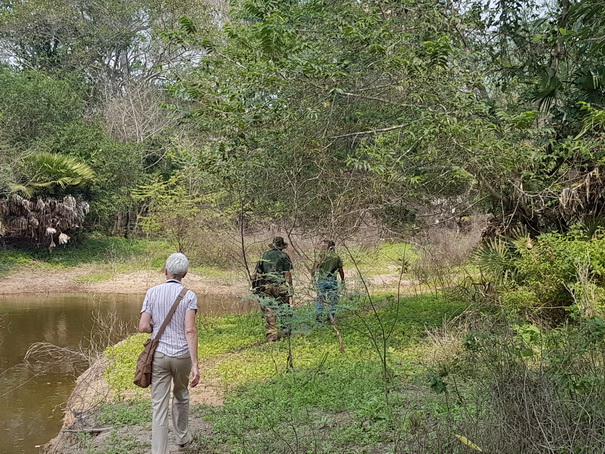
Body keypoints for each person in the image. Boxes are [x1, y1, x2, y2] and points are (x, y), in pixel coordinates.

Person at [138, 253, 200, 454]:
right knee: (181, 395)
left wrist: (154, 327)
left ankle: (159, 451)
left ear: (165, 271)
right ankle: (182, 439)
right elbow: (190, 330)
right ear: (185, 274)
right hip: (182, 356)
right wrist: (196, 365)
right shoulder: (189, 295)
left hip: (160, 356)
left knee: (159, 405)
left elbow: (143, 326)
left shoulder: (152, 292)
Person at [254, 236, 293, 342]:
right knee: (284, 309)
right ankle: (286, 332)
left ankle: (272, 336)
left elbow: (258, 272)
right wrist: (291, 288)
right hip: (280, 286)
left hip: (266, 286)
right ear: (282, 246)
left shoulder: (264, 255)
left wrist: (256, 287)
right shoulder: (284, 256)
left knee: (269, 310)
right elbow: (287, 274)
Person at [312, 239, 344, 323]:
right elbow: (341, 270)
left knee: (320, 300)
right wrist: (343, 280)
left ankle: (318, 319)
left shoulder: (322, 255)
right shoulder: (336, 256)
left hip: (322, 280)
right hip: (332, 280)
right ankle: (330, 319)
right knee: (333, 300)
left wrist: (312, 276)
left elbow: (316, 266)